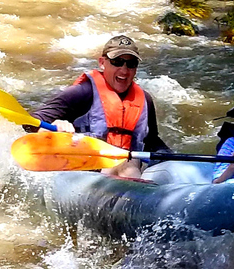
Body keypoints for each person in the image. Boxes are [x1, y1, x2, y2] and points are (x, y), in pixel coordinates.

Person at [23, 35, 171, 178]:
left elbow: (151, 141)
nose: (124, 71)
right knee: (125, 164)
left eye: (131, 64)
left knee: (129, 163)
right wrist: (53, 126)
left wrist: (169, 157)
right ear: (102, 63)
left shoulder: (145, 100)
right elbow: (30, 123)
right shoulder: (82, 93)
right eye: (117, 62)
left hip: (126, 173)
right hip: (85, 174)